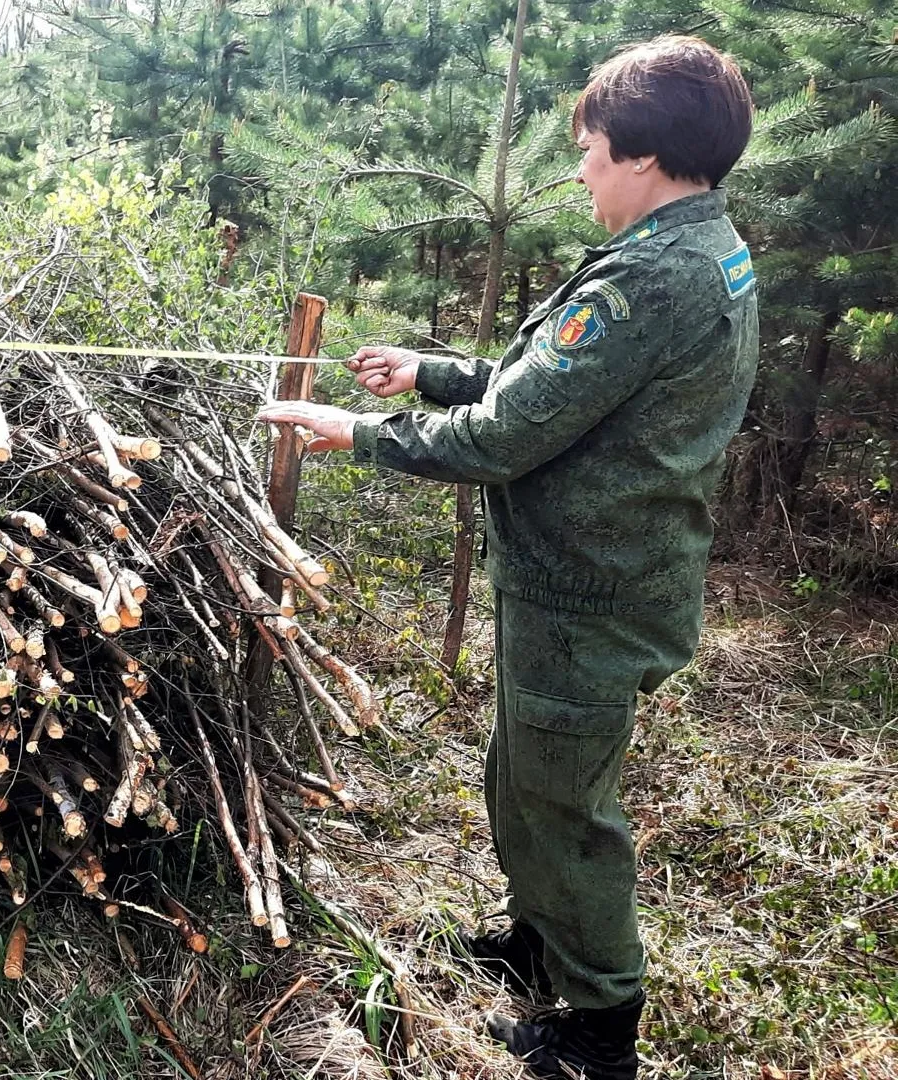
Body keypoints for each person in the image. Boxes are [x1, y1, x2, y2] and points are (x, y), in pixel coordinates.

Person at [257, 35, 757, 1080]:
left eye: (590, 150)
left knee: (565, 804)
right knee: (526, 774)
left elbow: (503, 438)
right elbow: (560, 386)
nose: (579, 169)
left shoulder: (648, 279)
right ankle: (540, 945)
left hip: (590, 592)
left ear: (645, 158)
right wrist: (432, 370)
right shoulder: (698, 249)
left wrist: (351, 430)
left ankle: (600, 1026)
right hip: (603, 579)